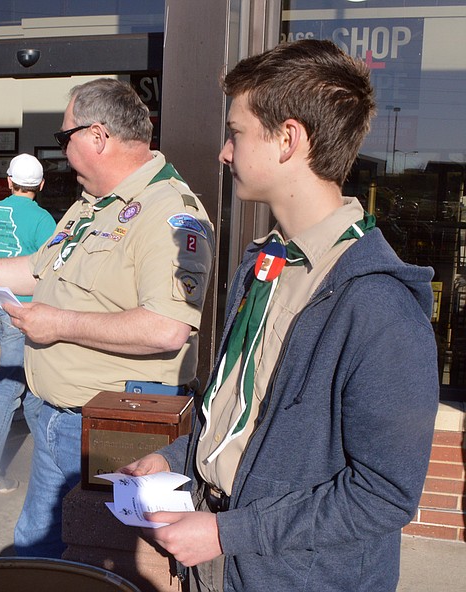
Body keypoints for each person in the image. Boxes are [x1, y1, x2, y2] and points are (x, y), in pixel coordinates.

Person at [120, 39, 440, 591]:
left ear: (288, 139)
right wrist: (175, 457)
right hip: (220, 566)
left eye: (236, 132)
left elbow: (383, 494)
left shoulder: (378, 306)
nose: (224, 151)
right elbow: (239, 418)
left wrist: (230, 533)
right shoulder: (264, 265)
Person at [0, 78, 214, 557]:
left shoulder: (171, 213)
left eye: (63, 137)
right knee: (36, 552)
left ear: (97, 137)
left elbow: (166, 328)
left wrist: (59, 324)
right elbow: (34, 270)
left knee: (114, 565)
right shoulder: (89, 205)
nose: (62, 151)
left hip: (117, 431)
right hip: (55, 419)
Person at [0, 154, 56, 494]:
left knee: (31, 388)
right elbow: (51, 268)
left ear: (8, 182)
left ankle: (49, 458)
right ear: (42, 185)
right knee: (10, 389)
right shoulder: (44, 219)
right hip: (23, 311)